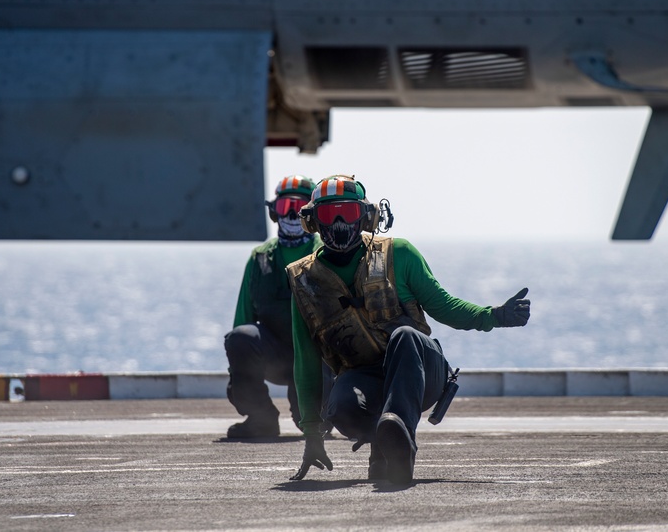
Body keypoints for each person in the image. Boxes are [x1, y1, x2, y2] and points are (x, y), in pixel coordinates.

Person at [286, 175, 532, 484]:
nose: (338, 223)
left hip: (420, 369)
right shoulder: (304, 282)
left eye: (347, 213)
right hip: (365, 375)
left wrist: (494, 315)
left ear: (366, 216)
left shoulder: (398, 254)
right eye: (328, 214)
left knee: (403, 336)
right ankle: (385, 446)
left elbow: (444, 306)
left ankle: (401, 438)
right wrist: (312, 435)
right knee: (342, 407)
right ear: (312, 221)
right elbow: (306, 362)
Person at [224, 175, 324, 438]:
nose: (291, 215)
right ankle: (260, 418)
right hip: (277, 355)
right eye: (284, 207)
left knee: (313, 420)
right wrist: (239, 372)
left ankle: (322, 414)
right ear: (273, 212)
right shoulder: (260, 259)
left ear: (312, 214)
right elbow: (242, 323)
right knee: (239, 338)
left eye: (299, 208)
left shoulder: (327, 254)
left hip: (319, 357)